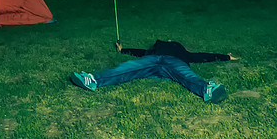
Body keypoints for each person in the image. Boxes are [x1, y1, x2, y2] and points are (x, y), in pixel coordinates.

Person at [69, 39, 237, 103]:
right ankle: (93, 81)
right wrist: (122, 49)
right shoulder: (152, 50)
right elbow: (138, 52)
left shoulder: (182, 52)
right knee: (127, 68)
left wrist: (226, 57)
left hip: (174, 63)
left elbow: (202, 56)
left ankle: (207, 89)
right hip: (152, 61)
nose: (169, 40)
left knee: (186, 75)